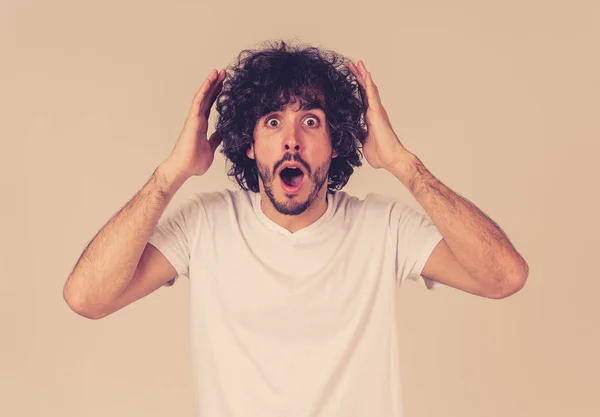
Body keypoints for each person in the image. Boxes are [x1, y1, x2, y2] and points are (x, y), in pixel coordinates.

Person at [63, 40, 529, 417]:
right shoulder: (205, 224)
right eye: (272, 122)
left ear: (336, 142)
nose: (291, 139)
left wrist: (404, 165)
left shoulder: (383, 227)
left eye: (310, 121)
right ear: (249, 144)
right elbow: (87, 297)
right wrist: (171, 174)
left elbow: (503, 276)